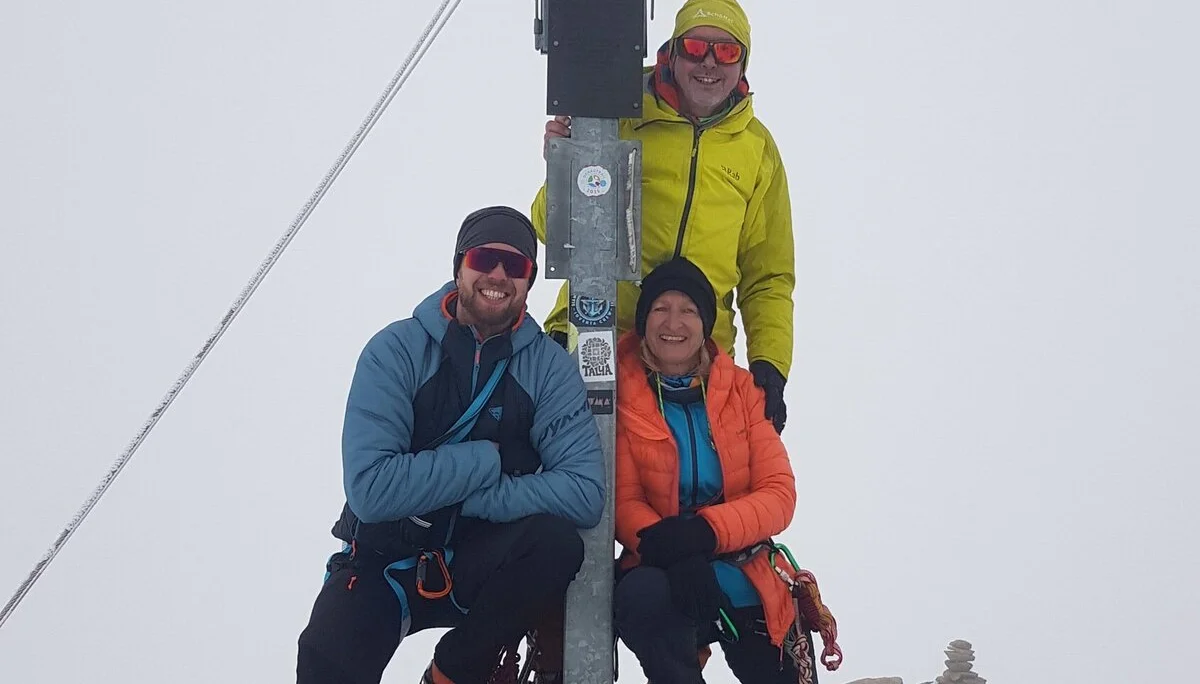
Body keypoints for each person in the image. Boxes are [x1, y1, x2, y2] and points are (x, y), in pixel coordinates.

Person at [296, 206, 606, 684]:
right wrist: (484, 462)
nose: (498, 275)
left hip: (473, 559)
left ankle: (453, 672)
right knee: (327, 657)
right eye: (484, 258)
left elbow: (583, 493)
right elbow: (371, 490)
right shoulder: (396, 350)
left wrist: (479, 499)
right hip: (383, 560)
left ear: (530, 281)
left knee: (554, 545)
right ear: (459, 265)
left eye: (516, 265)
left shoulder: (548, 368)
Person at [535, 0, 794, 433]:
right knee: (578, 489)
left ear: (743, 63)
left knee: (687, 494)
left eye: (727, 52)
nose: (709, 63)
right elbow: (550, 230)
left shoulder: (756, 150)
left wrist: (769, 364)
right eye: (695, 47)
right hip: (598, 336)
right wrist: (564, 169)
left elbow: (768, 276)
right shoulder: (613, 113)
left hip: (697, 361)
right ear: (671, 53)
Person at [612, 257, 799, 683]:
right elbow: (624, 499)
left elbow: (778, 494)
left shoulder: (743, 391)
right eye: (660, 308)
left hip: (744, 564)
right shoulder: (618, 392)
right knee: (643, 596)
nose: (673, 322)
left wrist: (704, 532)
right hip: (660, 566)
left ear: (705, 324)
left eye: (688, 310)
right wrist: (671, 552)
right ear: (643, 321)